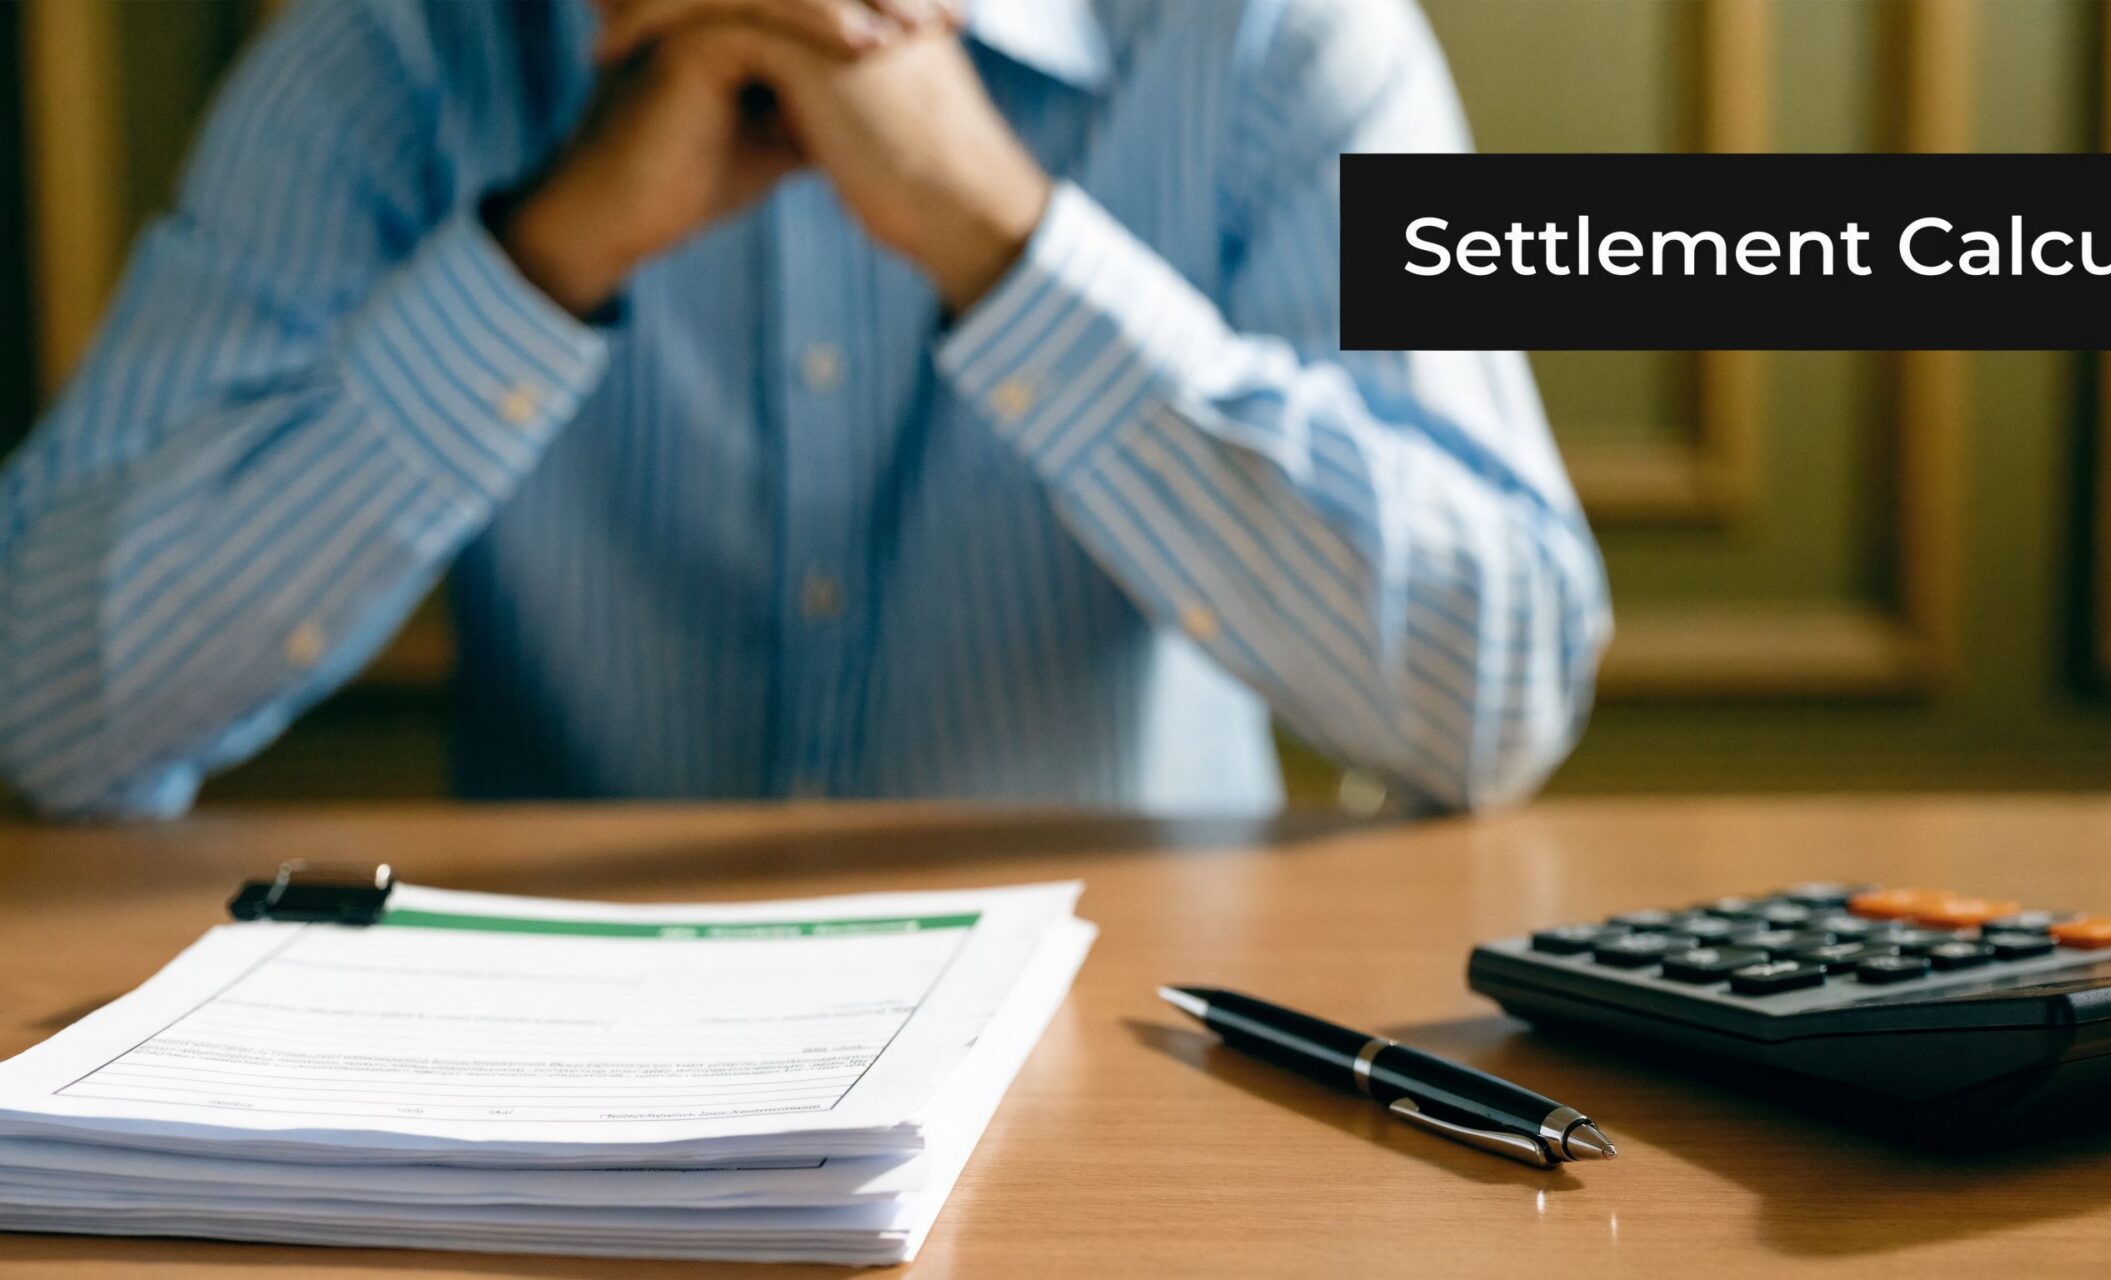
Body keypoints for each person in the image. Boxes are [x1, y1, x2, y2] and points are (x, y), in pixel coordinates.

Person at [0, 0, 1609, 821]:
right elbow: (49, 710)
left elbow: (1499, 689)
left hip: (1137, 1066)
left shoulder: (1271, 30)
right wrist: (543, 257)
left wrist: (1005, 239)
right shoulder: (400, 45)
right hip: (556, 1097)